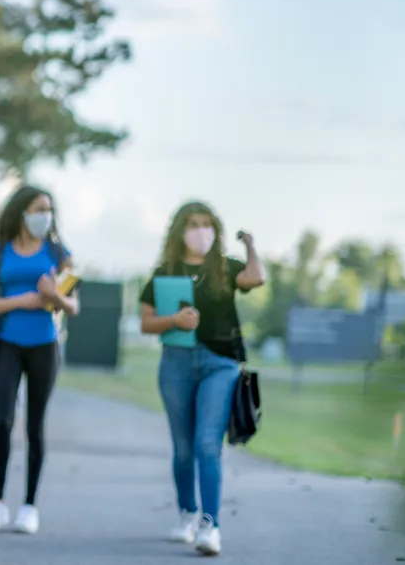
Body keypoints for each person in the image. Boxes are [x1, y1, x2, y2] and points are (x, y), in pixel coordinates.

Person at [139, 201, 266, 557]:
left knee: (207, 444)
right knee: (182, 448)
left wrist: (251, 246)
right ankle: (187, 513)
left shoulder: (226, 268)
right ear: (180, 230)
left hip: (220, 365)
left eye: (206, 224)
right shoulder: (165, 271)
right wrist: (174, 321)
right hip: (176, 363)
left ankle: (211, 526)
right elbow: (146, 322)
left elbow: (257, 278)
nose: (200, 231)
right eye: (192, 224)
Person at [0, 186, 79, 536]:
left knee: (35, 425)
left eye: (48, 209)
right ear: (21, 212)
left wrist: (54, 296)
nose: (44, 215)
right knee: (1, 420)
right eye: (37, 208)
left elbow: (74, 306)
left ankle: (29, 506)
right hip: (6, 345)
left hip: (44, 346)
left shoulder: (58, 251)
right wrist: (24, 300)